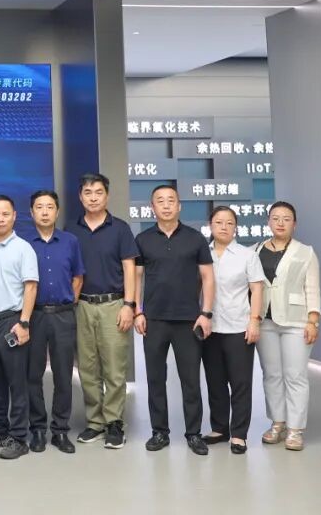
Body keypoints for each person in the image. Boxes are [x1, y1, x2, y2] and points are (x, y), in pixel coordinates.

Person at [134, 184, 214, 456]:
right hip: (154, 320)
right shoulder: (143, 239)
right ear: (152, 207)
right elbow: (137, 278)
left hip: (188, 320)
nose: (166, 205)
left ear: (179, 206)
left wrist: (206, 313)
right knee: (155, 379)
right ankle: (159, 432)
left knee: (190, 380)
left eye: (171, 200)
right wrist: (138, 311)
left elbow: (208, 277)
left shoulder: (195, 239)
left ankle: (193, 433)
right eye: (160, 201)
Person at [65, 173, 138, 449]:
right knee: (87, 367)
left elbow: (130, 269)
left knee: (115, 368)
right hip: (82, 305)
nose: (93, 198)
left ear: (107, 196)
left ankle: (114, 422)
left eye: (98, 192)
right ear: (80, 197)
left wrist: (129, 305)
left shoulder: (120, 228)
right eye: (88, 192)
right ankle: (95, 422)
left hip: (113, 305)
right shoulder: (71, 230)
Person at [255, 201, 321, 451]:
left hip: (296, 321)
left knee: (295, 375)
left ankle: (295, 429)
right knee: (271, 374)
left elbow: (312, 288)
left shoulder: (306, 252)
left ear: (295, 223)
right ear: (268, 222)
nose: (280, 223)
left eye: (286, 218)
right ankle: (278, 423)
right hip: (265, 321)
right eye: (275, 218)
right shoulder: (255, 250)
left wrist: (313, 320)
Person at [0, 195, 38, 460]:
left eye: (5, 214)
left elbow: (31, 287)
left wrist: (24, 322)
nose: (0, 219)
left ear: (14, 216)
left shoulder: (24, 248)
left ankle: (19, 437)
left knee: (17, 382)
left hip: (12, 322)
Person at [24, 190, 84, 454]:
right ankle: (37, 429)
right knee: (32, 375)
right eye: (39, 207)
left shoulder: (70, 241)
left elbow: (78, 277)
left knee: (63, 375)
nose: (45, 212)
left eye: (50, 207)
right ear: (31, 212)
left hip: (62, 314)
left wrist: (68, 303)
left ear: (57, 211)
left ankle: (60, 430)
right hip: (34, 315)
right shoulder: (24, 243)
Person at [201, 206, 264, 455]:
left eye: (229, 223)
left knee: (240, 383)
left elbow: (257, 289)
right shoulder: (202, 254)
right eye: (219, 222)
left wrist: (254, 321)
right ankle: (219, 428)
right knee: (215, 381)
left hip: (239, 326)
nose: (224, 227)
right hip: (210, 328)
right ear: (210, 225)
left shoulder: (247, 255)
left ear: (236, 227)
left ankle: (239, 434)